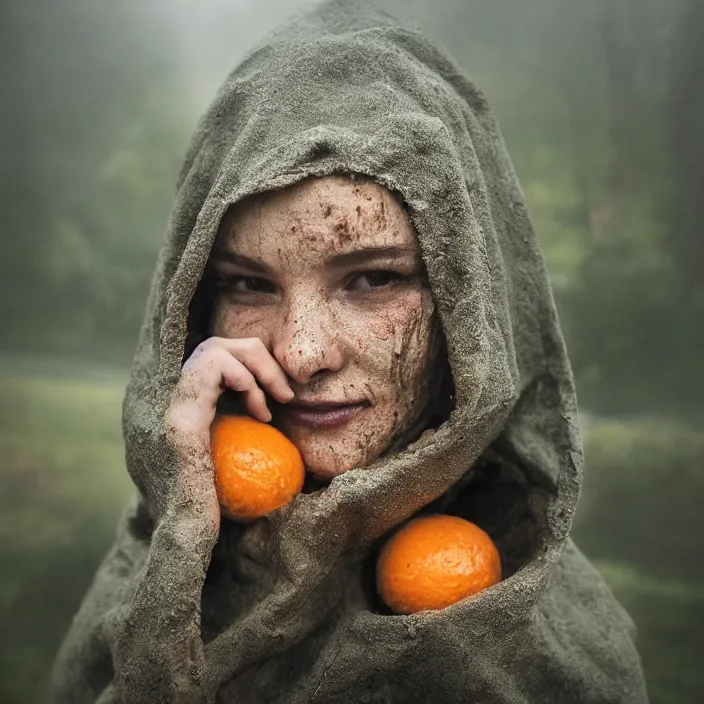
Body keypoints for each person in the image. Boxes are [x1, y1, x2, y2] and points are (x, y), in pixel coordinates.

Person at [49, 1, 649, 702]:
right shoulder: (150, 578)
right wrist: (183, 538)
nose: (302, 353)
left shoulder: (553, 647)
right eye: (249, 283)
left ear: (470, 305)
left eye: (373, 278)